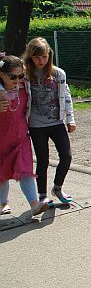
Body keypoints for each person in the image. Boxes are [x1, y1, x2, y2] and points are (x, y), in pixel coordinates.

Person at [23, 38, 76, 206]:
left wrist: (70, 119)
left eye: (45, 57)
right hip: (36, 125)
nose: (41, 61)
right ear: (30, 57)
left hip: (56, 122)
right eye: (37, 57)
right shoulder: (24, 75)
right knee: (43, 160)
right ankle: (42, 195)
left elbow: (66, 97)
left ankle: (58, 188)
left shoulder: (58, 73)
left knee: (66, 156)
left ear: (49, 55)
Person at [0, 54, 48, 216]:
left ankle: (34, 204)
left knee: (25, 170)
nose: (17, 79)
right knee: (2, 175)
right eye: (12, 77)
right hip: (2, 142)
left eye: (20, 75)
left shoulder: (24, 86)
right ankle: (2, 203)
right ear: (1, 75)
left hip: (21, 139)